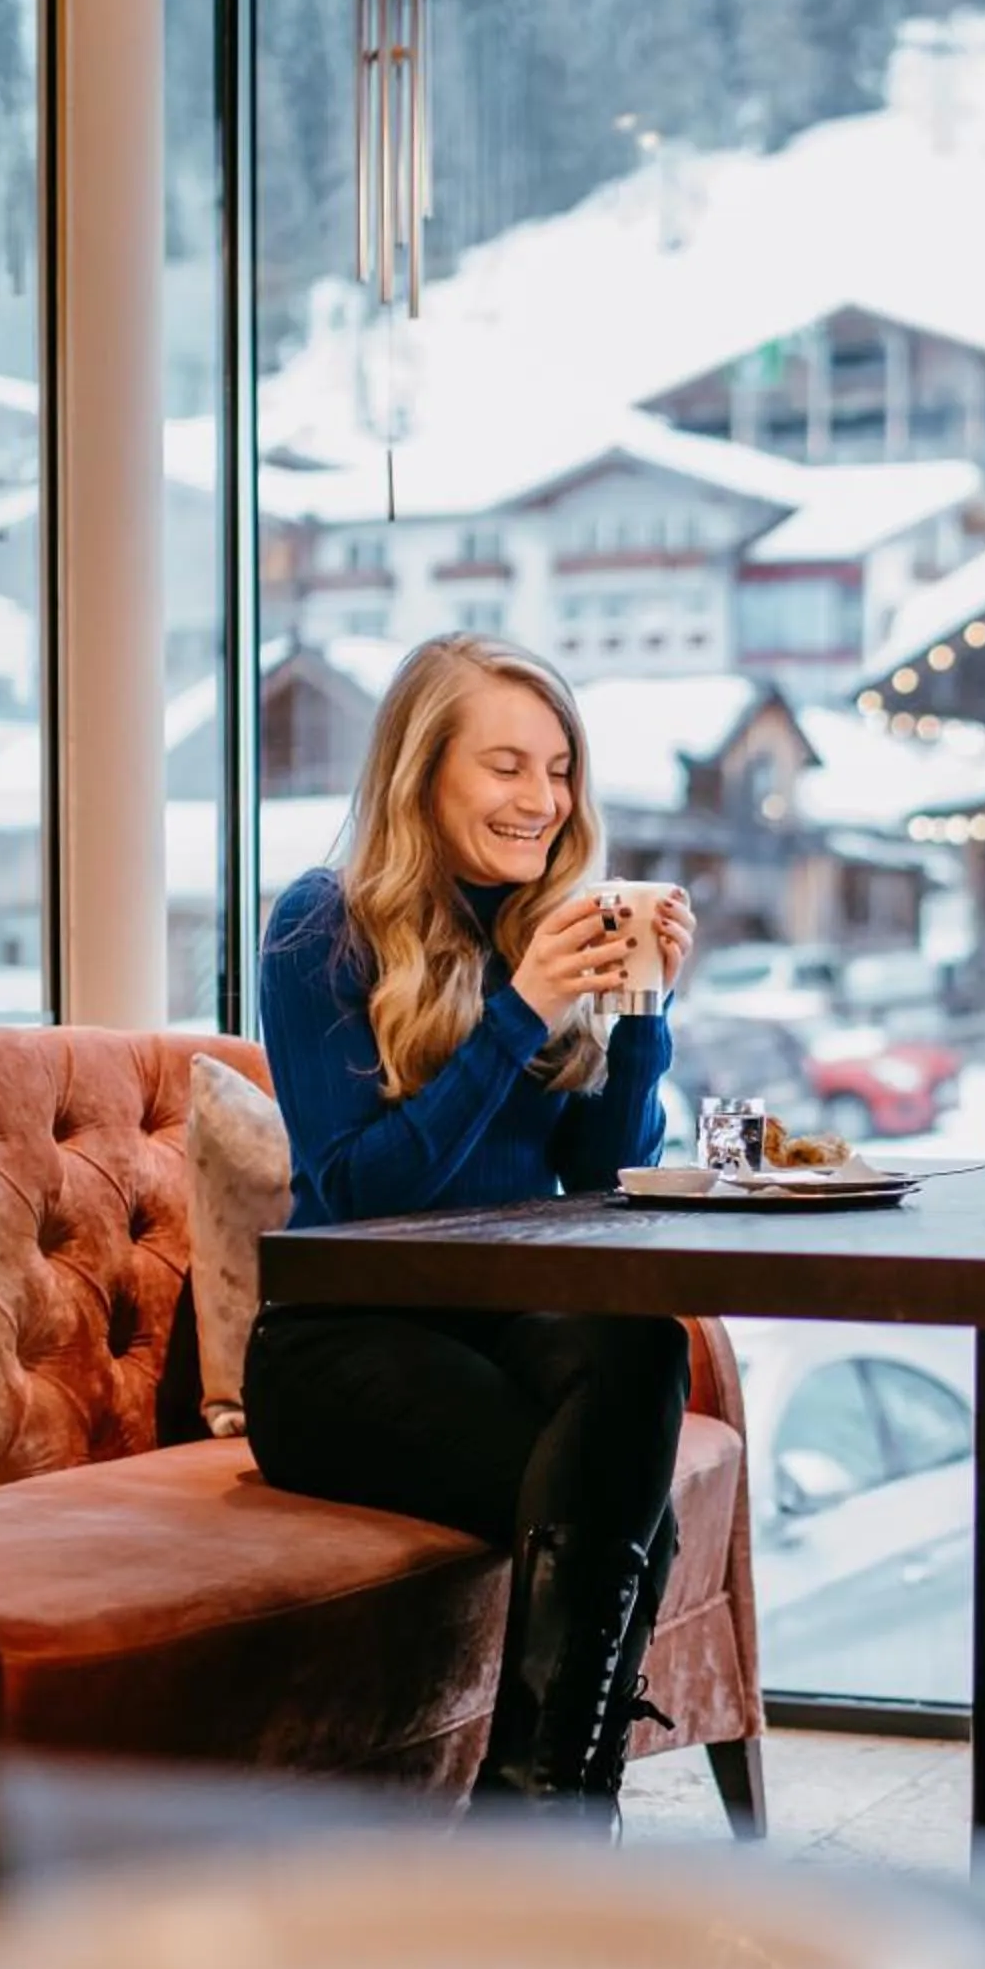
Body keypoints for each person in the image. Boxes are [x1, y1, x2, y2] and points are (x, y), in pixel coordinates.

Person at [247, 631, 697, 1830]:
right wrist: (522, 1011)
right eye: (507, 766)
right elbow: (361, 1194)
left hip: (497, 1327)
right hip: (336, 1347)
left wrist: (640, 1009)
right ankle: (551, 1823)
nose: (543, 801)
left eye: (558, 770)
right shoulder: (319, 928)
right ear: (422, 773)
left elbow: (600, 1183)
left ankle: (538, 1817)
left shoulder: (532, 927)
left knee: (641, 1345)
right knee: (619, 1514)